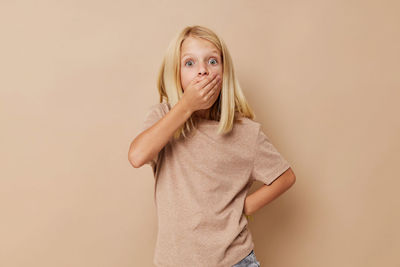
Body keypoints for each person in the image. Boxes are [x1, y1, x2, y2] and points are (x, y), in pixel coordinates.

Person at [128, 25, 296, 267]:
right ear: (176, 74)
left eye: (212, 61)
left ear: (224, 71)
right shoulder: (164, 117)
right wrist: (186, 107)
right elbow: (137, 156)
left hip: (235, 260)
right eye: (190, 63)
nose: (202, 71)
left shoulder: (245, 132)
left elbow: (285, 177)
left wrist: (245, 206)